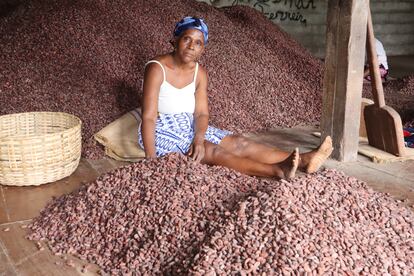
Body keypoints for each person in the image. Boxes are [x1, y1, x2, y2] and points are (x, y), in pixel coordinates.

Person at [139, 16, 333, 179]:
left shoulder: (200, 73)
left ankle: (304, 160)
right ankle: (276, 170)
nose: (191, 46)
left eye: (198, 43)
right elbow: (148, 117)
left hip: (188, 123)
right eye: (186, 39)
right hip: (161, 127)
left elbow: (201, 113)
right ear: (175, 40)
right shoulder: (157, 68)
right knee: (212, 150)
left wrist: (198, 138)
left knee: (239, 143)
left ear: (203, 49)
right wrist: (151, 159)